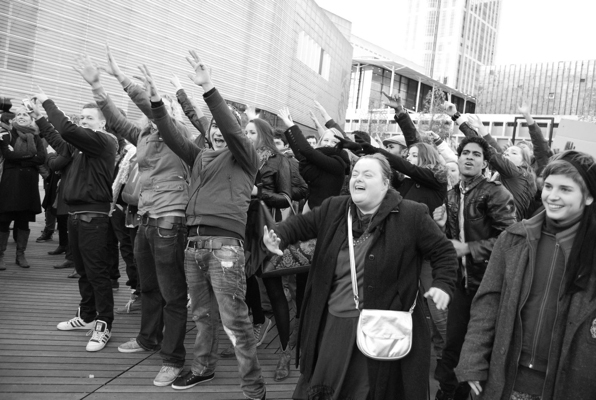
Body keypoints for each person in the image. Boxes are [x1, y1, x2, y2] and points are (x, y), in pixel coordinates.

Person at [263, 153, 458, 399]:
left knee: (371, 390)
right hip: (333, 322)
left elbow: (443, 252)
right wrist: (278, 233)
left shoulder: (411, 214)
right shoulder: (335, 207)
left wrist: (442, 284)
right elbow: (301, 225)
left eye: (368, 174)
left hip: (381, 327)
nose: (358, 178)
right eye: (355, 173)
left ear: (386, 184)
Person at [143, 51, 266, 399]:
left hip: (225, 249)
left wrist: (208, 87)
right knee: (201, 315)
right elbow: (171, 135)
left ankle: (254, 386)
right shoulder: (200, 157)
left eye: (223, 129)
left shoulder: (246, 158)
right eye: (212, 130)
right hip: (193, 246)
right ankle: (202, 369)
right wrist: (156, 102)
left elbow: (229, 125)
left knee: (234, 320)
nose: (218, 133)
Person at [82, 46, 191, 386]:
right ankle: (148, 338)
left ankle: (172, 359)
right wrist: (98, 88)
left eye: (160, 108)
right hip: (145, 217)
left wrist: (123, 79)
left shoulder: (178, 135)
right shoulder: (145, 136)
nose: (148, 114)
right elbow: (115, 121)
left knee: (173, 292)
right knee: (147, 285)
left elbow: (153, 110)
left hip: (170, 218)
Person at [456, 150, 596, 400]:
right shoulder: (513, 238)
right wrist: (472, 361)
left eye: (566, 189)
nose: (552, 196)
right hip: (508, 379)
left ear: (588, 197)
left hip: (569, 383)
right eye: (549, 186)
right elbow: (487, 303)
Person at [33, 86, 117, 352]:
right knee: (82, 270)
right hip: (76, 215)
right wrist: (39, 118)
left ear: (102, 122)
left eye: (89, 118)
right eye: (81, 118)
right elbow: (60, 141)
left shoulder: (104, 141)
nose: (83, 122)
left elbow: (67, 131)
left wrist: (47, 101)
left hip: (95, 216)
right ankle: (88, 315)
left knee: (97, 273)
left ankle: (104, 324)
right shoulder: (80, 146)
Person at [433, 136, 517, 400]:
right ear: (457, 158)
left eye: (476, 154)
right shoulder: (451, 194)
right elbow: (450, 242)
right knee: (452, 347)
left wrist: (469, 248)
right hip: (461, 284)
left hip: (488, 286)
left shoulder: (496, 193)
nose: (469, 157)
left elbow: (510, 240)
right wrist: (439, 226)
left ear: (484, 162)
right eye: (465, 152)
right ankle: (448, 395)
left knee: (480, 347)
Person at [0, 105, 46, 270]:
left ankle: (21, 254)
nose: (21, 116)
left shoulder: (36, 136)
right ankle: (1, 255)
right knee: (4, 221)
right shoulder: (7, 135)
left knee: (23, 221)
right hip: (10, 183)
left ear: (31, 119)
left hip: (28, 184)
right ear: (13, 119)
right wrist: (29, 157)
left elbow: (41, 157)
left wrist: (21, 159)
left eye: (25, 115)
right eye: (18, 114)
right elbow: (8, 155)